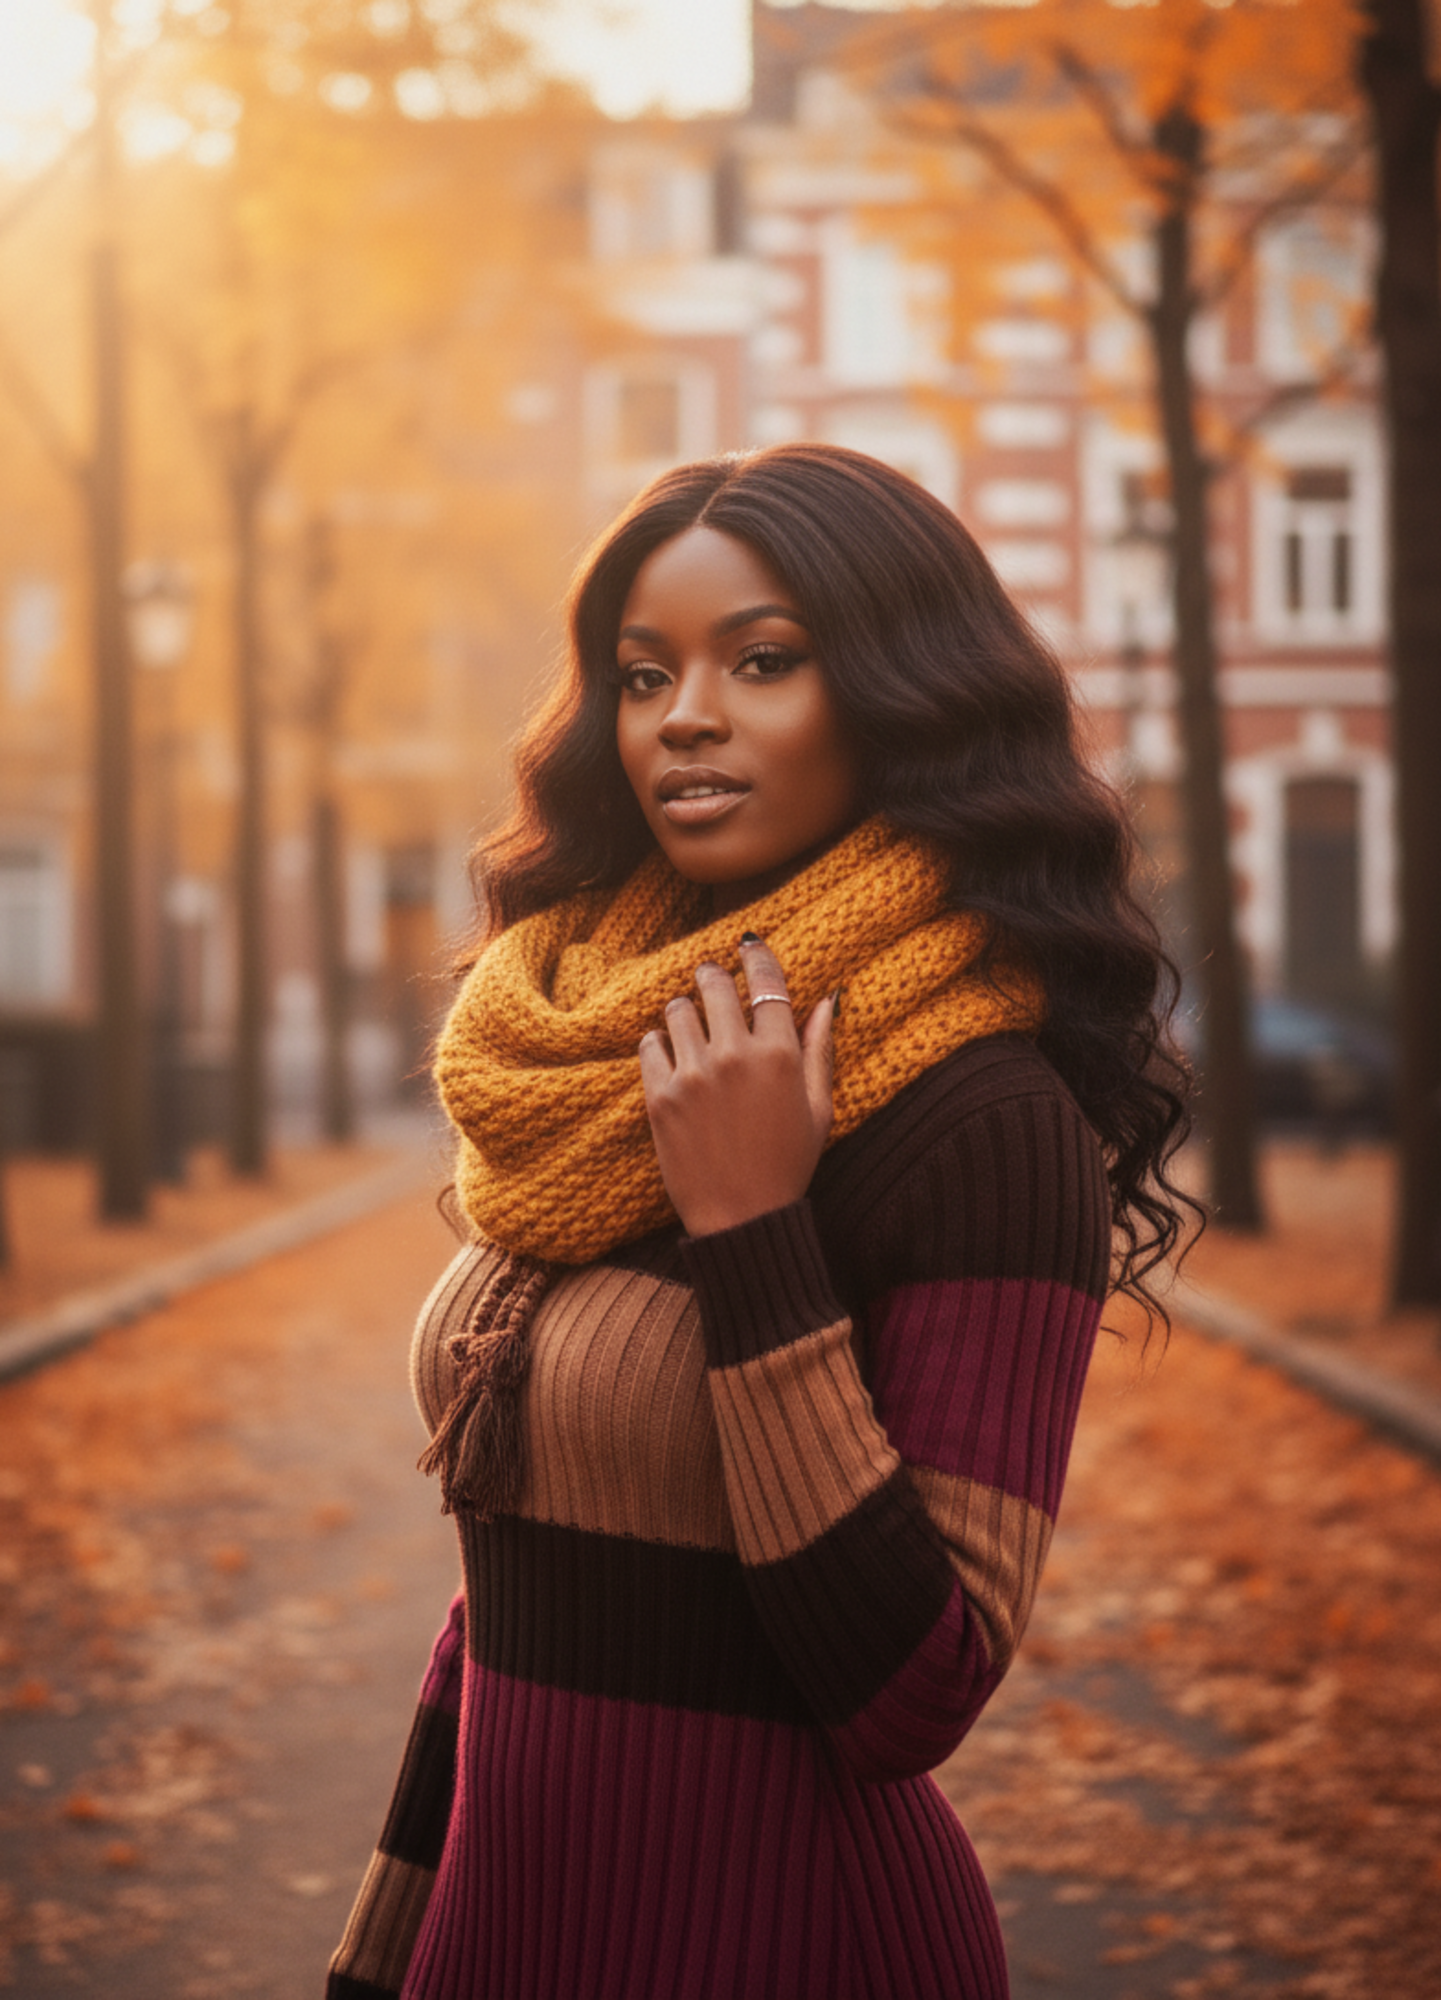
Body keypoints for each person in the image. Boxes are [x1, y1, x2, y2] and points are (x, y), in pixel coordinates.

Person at [326, 443, 1193, 2000]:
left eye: (766, 660)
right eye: (645, 675)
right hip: (499, 1942)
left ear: (900, 692)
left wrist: (753, 1235)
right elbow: (510, 1604)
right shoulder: (584, 1050)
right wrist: (384, 1946)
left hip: (793, 1944)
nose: (687, 717)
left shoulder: (981, 1117)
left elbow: (913, 1693)